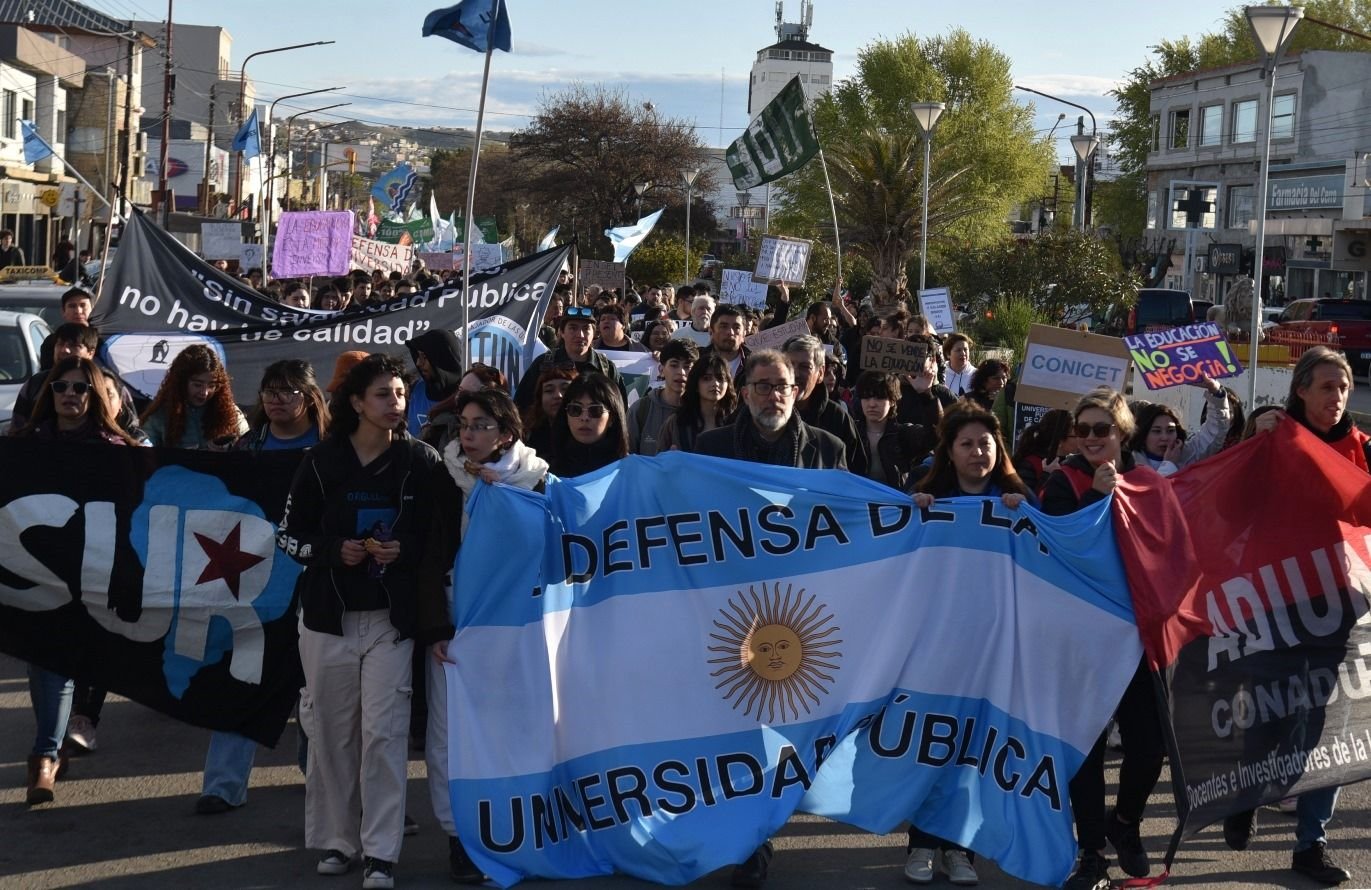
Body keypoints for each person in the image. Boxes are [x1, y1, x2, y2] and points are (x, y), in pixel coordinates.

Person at [277, 353, 459, 890]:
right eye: (383, 394)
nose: (395, 403)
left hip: (390, 621)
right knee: (332, 735)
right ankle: (339, 840)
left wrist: (403, 550)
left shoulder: (421, 462)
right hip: (327, 619)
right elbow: (288, 536)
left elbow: (440, 539)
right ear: (356, 402)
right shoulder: (318, 462)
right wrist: (334, 550)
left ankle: (382, 853)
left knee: (385, 735)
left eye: (401, 393)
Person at [696, 349, 844, 888]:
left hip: (802, 615)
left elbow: (857, 524)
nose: (772, 395)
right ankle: (747, 839)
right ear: (743, 392)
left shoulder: (829, 450)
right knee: (737, 728)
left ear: (797, 389)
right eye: (761, 386)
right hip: (731, 613)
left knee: (780, 731)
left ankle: (757, 830)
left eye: (781, 384)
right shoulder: (710, 450)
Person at [1223, 345, 1360, 886]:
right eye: (1327, 387)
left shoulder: (1361, 450)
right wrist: (1248, 440)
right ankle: (1247, 791)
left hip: (1340, 606)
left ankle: (1311, 844)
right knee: (1271, 718)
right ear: (1301, 389)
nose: (1337, 397)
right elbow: (1226, 504)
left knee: (1329, 731)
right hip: (1275, 600)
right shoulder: (1270, 439)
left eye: (1343, 388)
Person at [903, 405, 1036, 887]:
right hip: (934, 648)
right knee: (931, 747)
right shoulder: (926, 496)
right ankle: (921, 843)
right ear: (950, 451)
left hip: (994, 650)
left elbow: (1048, 560)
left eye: (985, 443)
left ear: (999, 448)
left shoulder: (1019, 499)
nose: (978, 452)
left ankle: (961, 850)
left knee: (973, 754)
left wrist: (1031, 519)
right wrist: (910, 514)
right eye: (967, 444)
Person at [1041, 387, 1164, 890]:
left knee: (1149, 745)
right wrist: (1095, 492)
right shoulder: (1064, 480)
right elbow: (1059, 544)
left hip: (1137, 635)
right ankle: (1091, 852)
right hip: (1082, 636)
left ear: (1122, 433)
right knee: (1087, 747)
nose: (1091, 438)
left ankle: (1126, 822)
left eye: (1102, 429)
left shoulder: (1149, 482)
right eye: (1084, 429)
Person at [11, 356, 141, 804]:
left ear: (97, 397)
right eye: (62, 387)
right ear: (49, 394)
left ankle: (48, 753)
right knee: (44, 662)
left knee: (63, 664)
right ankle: (47, 753)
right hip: (34, 575)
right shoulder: (24, 444)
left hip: (92, 577)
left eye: (81, 388)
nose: (70, 394)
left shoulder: (116, 450)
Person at [432, 387, 547, 883]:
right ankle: (459, 834)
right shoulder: (443, 477)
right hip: (458, 623)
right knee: (451, 734)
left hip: (519, 627)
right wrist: (436, 624)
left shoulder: (540, 481)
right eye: (464, 424)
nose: (469, 434)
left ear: (506, 432)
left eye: (481, 425)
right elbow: (430, 553)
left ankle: (518, 828)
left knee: (517, 729)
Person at [514, 306, 626, 411]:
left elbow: (620, 409)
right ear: (562, 332)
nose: (580, 335)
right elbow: (522, 405)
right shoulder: (544, 364)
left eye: (586, 328)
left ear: (594, 333)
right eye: (573, 328)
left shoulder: (606, 368)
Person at [139, 345, 249, 449]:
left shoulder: (230, 412)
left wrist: (231, 448)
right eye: (197, 385)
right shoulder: (160, 416)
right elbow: (145, 455)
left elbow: (248, 444)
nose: (204, 392)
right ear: (181, 382)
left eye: (211, 385)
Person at [1125, 377, 1230, 475]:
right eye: (1157, 431)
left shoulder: (1188, 454)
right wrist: (1169, 464)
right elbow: (1153, 492)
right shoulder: (1129, 462)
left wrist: (1216, 393)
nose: (1165, 437)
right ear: (1143, 435)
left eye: (1170, 430)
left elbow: (1215, 432)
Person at [784, 334, 859, 471]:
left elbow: (854, 477)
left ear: (820, 373)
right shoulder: (761, 412)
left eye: (805, 366)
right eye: (789, 365)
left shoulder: (838, 419)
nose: (795, 373)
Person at [851, 370, 934, 491]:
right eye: (866, 397)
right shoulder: (850, 431)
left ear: (892, 401)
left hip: (895, 505)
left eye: (879, 398)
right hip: (857, 502)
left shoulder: (903, 434)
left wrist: (926, 395)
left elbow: (936, 436)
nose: (872, 404)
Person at [235, 359, 331, 454]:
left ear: (309, 398)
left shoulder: (331, 440)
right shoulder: (247, 445)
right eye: (269, 392)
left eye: (287, 393)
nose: (276, 400)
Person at [548, 373, 629, 477]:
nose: (584, 417)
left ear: (612, 418)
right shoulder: (543, 471)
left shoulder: (629, 472)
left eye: (595, 410)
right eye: (575, 409)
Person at [657, 352, 738, 454]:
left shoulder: (738, 423)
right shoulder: (676, 423)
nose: (715, 384)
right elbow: (660, 462)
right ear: (696, 384)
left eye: (720, 378)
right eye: (706, 378)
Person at [629, 339, 697, 456]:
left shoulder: (703, 410)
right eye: (674, 365)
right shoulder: (640, 410)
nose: (681, 372)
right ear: (661, 369)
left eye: (687, 366)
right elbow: (627, 457)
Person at [404, 329, 464, 436]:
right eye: (418, 356)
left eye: (425, 357)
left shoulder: (468, 395)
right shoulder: (415, 390)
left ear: (441, 358)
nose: (418, 363)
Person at [1011, 408, 1076, 496]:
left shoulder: (1072, 463)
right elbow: (1025, 500)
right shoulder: (1030, 464)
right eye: (1076, 436)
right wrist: (1047, 475)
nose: (1080, 439)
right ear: (1059, 441)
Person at [521, 365, 578, 460]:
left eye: (565, 389)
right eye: (549, 390)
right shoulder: (527, 437)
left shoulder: (587, 434)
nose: (558, 395)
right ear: (540, 399)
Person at [698, 303, 749, 378]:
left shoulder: (755, 364)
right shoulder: (696, 360)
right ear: (711, 332)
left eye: (736, 327)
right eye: (724, 327)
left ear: (744, 334)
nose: (730, 332)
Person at [941, 333, 977, 397]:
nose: (963, 353)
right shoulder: (940, 373)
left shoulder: (976, 374)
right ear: (948, 354)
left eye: (965, 349)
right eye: (958, 350)